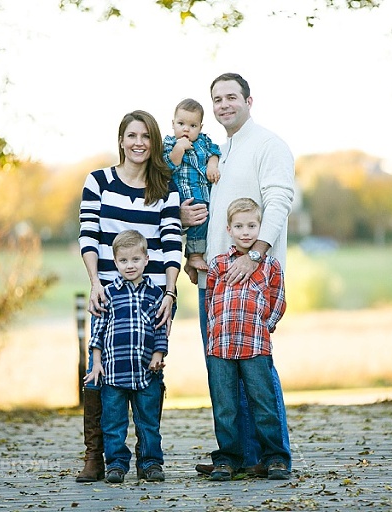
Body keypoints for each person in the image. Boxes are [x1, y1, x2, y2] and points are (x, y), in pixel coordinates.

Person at [181, 73, 296, 477]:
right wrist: (194, 254)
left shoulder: (268, 145)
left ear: (249, 101)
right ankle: (242, 456)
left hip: (252, 276)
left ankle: (275, 455)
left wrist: (256, 254)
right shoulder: (221, 151)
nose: (224, 105)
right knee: (223, 375)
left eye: (232, 97)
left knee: (257, 371)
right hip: (215, 278)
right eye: (217, 99)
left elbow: (279, 201)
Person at [77, 110, 182, 483]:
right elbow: (88, 234)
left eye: (146, 136)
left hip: (154, 296)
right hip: (109, 292)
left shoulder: (164, 186)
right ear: (121, 140)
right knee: (100, 372)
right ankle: (97, 456)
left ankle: (148, 459)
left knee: (151, 372)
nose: (139, 143)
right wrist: (95, 283)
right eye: (132, 135)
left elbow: (172, 241)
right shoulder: (99, 181)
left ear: (154, 142)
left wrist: (170, 293)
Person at [205, 198, 290, 481]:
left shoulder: (270, 266)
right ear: (229, 229)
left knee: (263, 403)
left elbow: (278, 300)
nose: (245, 232)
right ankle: (228, 459)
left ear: (260, 228)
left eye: (252, 226)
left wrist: (265, 327)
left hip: (255, 346)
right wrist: (214, 330)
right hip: (221, 346)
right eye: (239, 226)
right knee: (225, 407)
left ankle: (275, 458)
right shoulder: (218, 265)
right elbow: (210, 301)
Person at [84, 230, 169, 484]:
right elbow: (98, 332)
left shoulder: (155, 294)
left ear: (146, 259)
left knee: (148, 423)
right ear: (115, 262)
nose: (129, 265)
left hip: (146, 372)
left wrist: (157, 355)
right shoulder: (108, 294)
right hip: (114, 371)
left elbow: (160, 329)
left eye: (135, 259)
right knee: (113, 423)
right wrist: (96, 363)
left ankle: (150, 463)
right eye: (123, 260)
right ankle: (116, 464)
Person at [163, 98, 222, 272]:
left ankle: (192, 261)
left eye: (193, 125)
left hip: (204, 191)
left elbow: (215, 152)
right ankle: (194, 255)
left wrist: (212, 165)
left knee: (206, 222)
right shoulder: (169, 143)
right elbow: (168, 166)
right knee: (197, 217)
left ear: (200, 127)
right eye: (181, 124)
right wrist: (179, 149)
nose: (186, 129)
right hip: (184, 193)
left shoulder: (204, 141)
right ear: (173, 124)